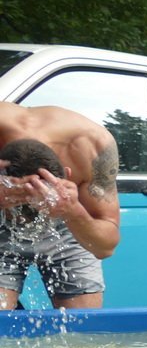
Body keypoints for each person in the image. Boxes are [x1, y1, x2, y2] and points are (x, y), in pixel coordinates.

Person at [0, 103, 120, 309]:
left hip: (69, 223)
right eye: (18, 201)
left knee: (82, 329)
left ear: (68, 173)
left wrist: (73, 211)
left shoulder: (93, 146)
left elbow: (105, 247)